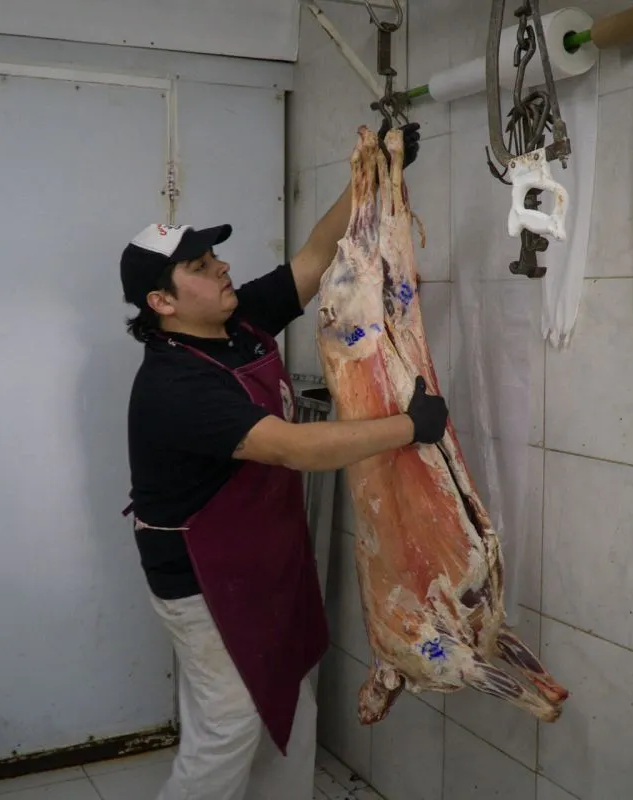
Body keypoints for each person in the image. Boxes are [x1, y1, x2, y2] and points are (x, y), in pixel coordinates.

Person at [119, 122, 442, 800]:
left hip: (264, 557)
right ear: (162, 303)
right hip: (204, 577)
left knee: (289, 698)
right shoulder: (175, 385)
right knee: (231, 722)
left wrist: (372, 177)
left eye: (215, 257)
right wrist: (408, 426)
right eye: (199, 267)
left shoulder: (236, 323)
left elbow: (317, 254)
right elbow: (293, 448)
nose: (221, 269)